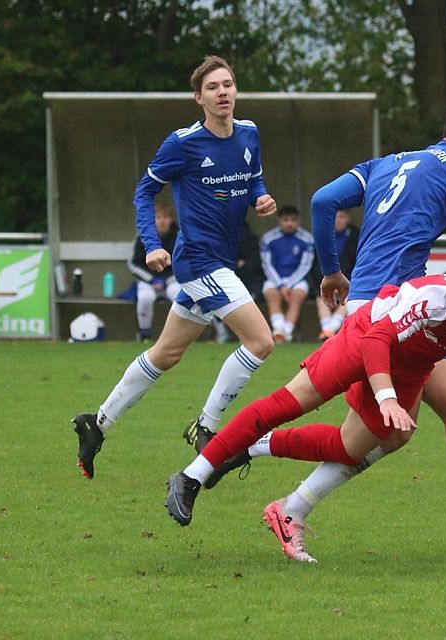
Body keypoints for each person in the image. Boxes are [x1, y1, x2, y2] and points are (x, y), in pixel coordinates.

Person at [165, 275, 446, 562]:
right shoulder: (434, 299)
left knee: (351, 447)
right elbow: (380, 337)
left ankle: (259, 453)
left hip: (412, 365)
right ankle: (191, 476)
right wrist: (385, 398)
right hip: (367, 336)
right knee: (294, 400)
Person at [70, 55, 278, 479]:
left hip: (220, 259)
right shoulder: (183, 143)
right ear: (198, 97)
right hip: (197, 261)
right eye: (213, 87)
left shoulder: (250, 133)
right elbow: (144, 191)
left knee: (166, 353)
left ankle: (98, 423)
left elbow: (254, 178)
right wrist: (151, 244)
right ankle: (205, 427)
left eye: (228, 85)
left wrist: (262, 197)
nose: (223, 93)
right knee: (261, 341)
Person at [259, 205, 315, 343]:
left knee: (297, 297)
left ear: (298, 220)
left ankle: (287, 332)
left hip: (297, 280)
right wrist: (280, 285)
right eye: (285, 220)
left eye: (293, 220)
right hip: (275, 279)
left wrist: (289, 284)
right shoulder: (268, 238)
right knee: (272, 295)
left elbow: (305, 265)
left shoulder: (307, 239)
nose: (289, 223)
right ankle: (279, 330)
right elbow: (267, 264)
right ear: (279, 220)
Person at [127, 202, 181, 341]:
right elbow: (133, 264)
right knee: (145, 298)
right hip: (148, 281)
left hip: (172, 280)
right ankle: (145, 336)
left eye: (165, 218)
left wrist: (165, 280)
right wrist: (152, 280)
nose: (162, 221)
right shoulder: (142, 238)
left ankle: (178, 337)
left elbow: (182, 262)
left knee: (179, 297)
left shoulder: (179, 238)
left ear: (171, 220)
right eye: (158, 218)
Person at [313, 208, 359, 340]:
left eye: (341, 217)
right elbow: (316, 263)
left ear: (348, 218)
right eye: (335, 217)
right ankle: (328, 329)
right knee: (319, 293)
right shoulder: (323, 236)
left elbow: (357, 262)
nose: (337, 221)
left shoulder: (356, 236)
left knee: (351, 294)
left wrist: (346, 280)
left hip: (349, 281)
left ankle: (331, 329)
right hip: (326, 280)